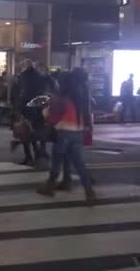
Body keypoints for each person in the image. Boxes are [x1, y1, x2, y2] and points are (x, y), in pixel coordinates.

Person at [37, 72, 96, 203]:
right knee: (80, 164)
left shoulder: (60, 98)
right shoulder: (81, 97)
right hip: (78, 133)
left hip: (64, 133)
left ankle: (49, 187)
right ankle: (89, 191)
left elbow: (52, 118)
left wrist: (44, 110)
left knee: (56, 161)